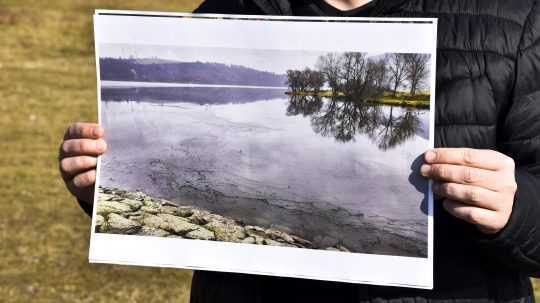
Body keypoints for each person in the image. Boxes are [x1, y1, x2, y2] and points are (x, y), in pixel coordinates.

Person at [58, 0, 540, 302]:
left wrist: (514, 210)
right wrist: (103, 183)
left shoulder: (510, 18)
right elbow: (168, 200)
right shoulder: (232, 11)